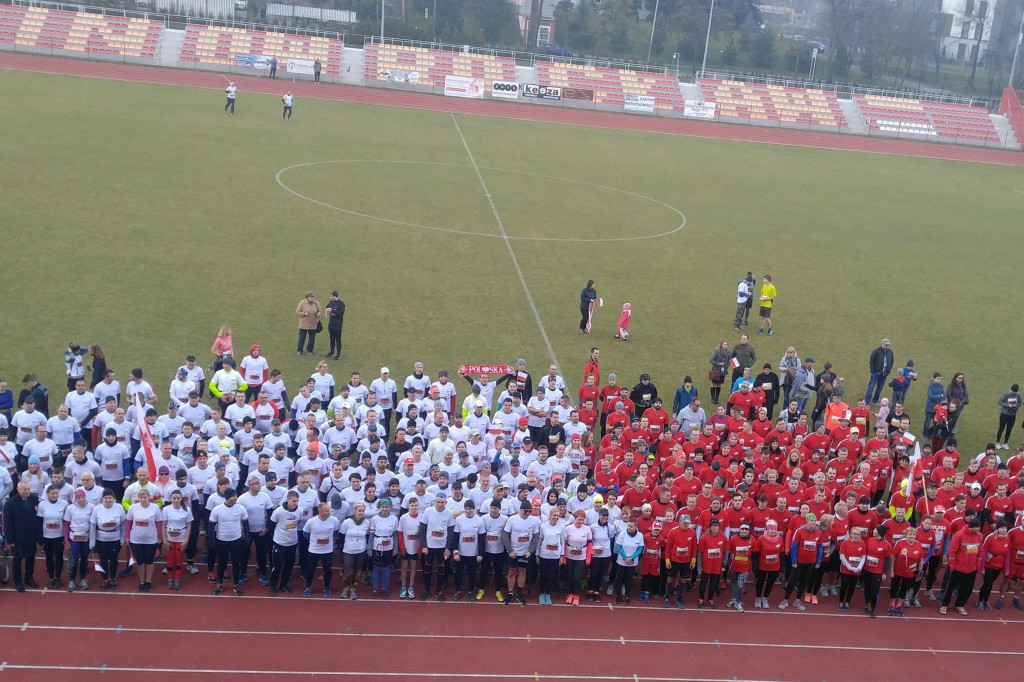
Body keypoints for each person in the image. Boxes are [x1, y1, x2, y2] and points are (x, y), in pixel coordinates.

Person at [209, 488, 249, 596]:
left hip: (236, 540)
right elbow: (211, 527)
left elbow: (245, 524)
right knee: (222, 563)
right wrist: (212, 542)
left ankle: (236, 584)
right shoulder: (217, 510)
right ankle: (220, 583)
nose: (235, 498)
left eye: (236, 495)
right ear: (227, 497)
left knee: (236, 563)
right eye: (233, 496)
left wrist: (247, 538)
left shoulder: (241, 508)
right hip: (221, 540)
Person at [941, 517, 984, 615]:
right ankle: (944, 604)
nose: (979, 529)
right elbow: (952, 551)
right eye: (977, 527)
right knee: (950, 587)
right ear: (971, 527)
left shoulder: (980, 536)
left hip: (971, 568)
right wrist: (953, 566)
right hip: (958, 568)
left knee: (967, 588)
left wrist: (977, 565)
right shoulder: (959, 535)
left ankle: (960, 604)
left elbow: (980, 551)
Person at [4, 480, 40, 591]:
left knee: (31, 558)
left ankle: (29, 578)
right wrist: (10, 540)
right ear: (18, 489)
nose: (27, 491)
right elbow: (7, 523)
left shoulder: (34, 500)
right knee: (17, 560)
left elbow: (38, 519)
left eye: (28, 489)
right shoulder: (10, 503)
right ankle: (18, 581)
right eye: (24, 489)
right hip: (17, 537)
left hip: (31, 536)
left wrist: (38, 537)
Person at [125, 488, 162, 592]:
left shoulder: (155, 508)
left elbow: (159, 523)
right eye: (140, 498)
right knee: (140, 561)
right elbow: (128, 522)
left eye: (145, 497)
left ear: (149, 497)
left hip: (151, 539)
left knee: (149, 560)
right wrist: (127, 537)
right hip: (136, 539)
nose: (143, 499)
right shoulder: (133, 508)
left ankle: (148, 581)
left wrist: (159, 536)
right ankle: (142, 581)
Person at [302, 502, 340, 598]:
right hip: (314, 550)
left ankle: (326, 587)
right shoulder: (311, 521)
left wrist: (329, 540)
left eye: (329, 511)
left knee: (327, 570)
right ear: (319, 511)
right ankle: (308, 586)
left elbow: (335, 532)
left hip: (327, 551)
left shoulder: (334, 520)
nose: (329, 513)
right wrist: (314, 541)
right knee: (310, 570)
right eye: (326, 511)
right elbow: (305, 534)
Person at [161, 488, 193, 590]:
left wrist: (186, 540)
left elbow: (189, 526)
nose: (176, 500)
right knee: (170, 559)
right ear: (171, 499)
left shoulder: (187, 510)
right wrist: (164, 540)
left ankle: (177, 579)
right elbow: (163, 525)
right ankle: (170, 579)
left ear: (181, 499)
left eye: (178, 498)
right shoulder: (166, 510)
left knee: (179, 559)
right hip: (169, 538)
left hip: (181, 538)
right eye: (174, 498)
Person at [864, 339, 894, 405]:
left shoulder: (890, 352)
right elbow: (871, 361)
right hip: (875, 373)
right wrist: (873, 371)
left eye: (888, 345)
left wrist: (888, 371)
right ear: (882, 344)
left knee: (879, 388)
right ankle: (866, 402)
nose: (887, 346)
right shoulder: (876, 351)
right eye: (886, 345)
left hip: (884, 374)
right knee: (871, 387)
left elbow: (891, 361)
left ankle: (875, 401)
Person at [295, 291, 322, 356]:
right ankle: (299, 350)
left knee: (312, 338)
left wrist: (318, 314)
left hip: (313, 324)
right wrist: (304, 314)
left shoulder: (316, 303)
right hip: (304, 324)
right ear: (307, 297)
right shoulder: (302, 302)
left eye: (313, 297)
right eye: (311, 297)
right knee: (302, 337)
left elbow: (319, 310)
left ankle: (309, 350)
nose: (312, 298)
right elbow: (297, 311)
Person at [996, 384, 1020, 450]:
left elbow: (1020, 403)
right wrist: (1007, 405)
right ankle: (998, 442)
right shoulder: (1006, 394)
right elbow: (1000, 402)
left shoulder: (1018, 395)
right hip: (1004, 414)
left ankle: (1005, 443)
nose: (1014, 393)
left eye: (1015, 392)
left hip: (1012, 415)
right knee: (1001, 428)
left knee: (1009, 429)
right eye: (1013, 391)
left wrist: (1015, 406)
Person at [325, 290, 345, 360]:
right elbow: (327, 307)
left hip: (338, 325)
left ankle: (338, 355)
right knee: (331, 338)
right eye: (331, 296)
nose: (331, 297)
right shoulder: (331, 302)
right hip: (331, 323)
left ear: (336, 296)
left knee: (338, 340)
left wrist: (332, 311)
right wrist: (329, 311)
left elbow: (341, 313)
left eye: (332, 296)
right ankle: (332, 352)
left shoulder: (341, 304)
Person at [709, 341, 729, 406]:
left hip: (722, 371)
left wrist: (726, 366)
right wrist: (718, 364)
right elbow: (711, 360)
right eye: (724, 344)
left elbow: (729, 360)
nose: (726, 345)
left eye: (726, 344)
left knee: (719, 384)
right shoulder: (717, 351)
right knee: (714, 383)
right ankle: (713, 398)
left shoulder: (728, 353)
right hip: (715, 370)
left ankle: (717, 398)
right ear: (721, 345)